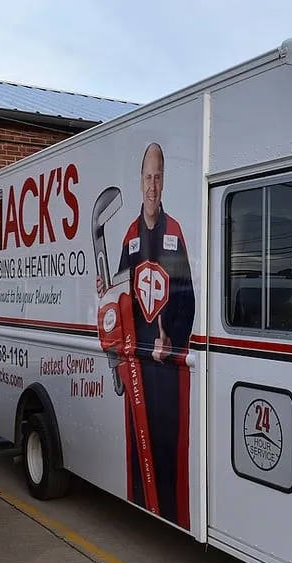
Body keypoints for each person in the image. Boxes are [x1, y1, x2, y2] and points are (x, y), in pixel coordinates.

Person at [97, 142, 195, 530]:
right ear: (140, 181)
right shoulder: (129, 237)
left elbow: (187, 296)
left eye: (158, 177)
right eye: (147, 177)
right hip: (136, 363)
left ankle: (169, 512)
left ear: (163, 181)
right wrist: (104, 296)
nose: (152, 185)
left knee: (168, 443)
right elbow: (120, 296)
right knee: (139, 443)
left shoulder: (175, 232)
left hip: (167, 364)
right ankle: (141, 504)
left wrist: (171, 336)